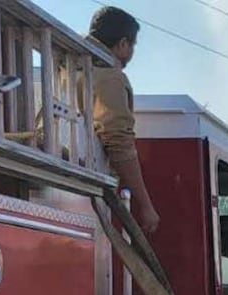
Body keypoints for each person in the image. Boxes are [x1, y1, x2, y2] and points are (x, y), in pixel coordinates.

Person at [86, 6, 162, 233]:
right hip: (91, 188)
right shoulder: (111, 77)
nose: (132, 52)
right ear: (122, 44)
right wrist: (146, 206)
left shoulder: (68, 64)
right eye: (133, 45)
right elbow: (119, 144)